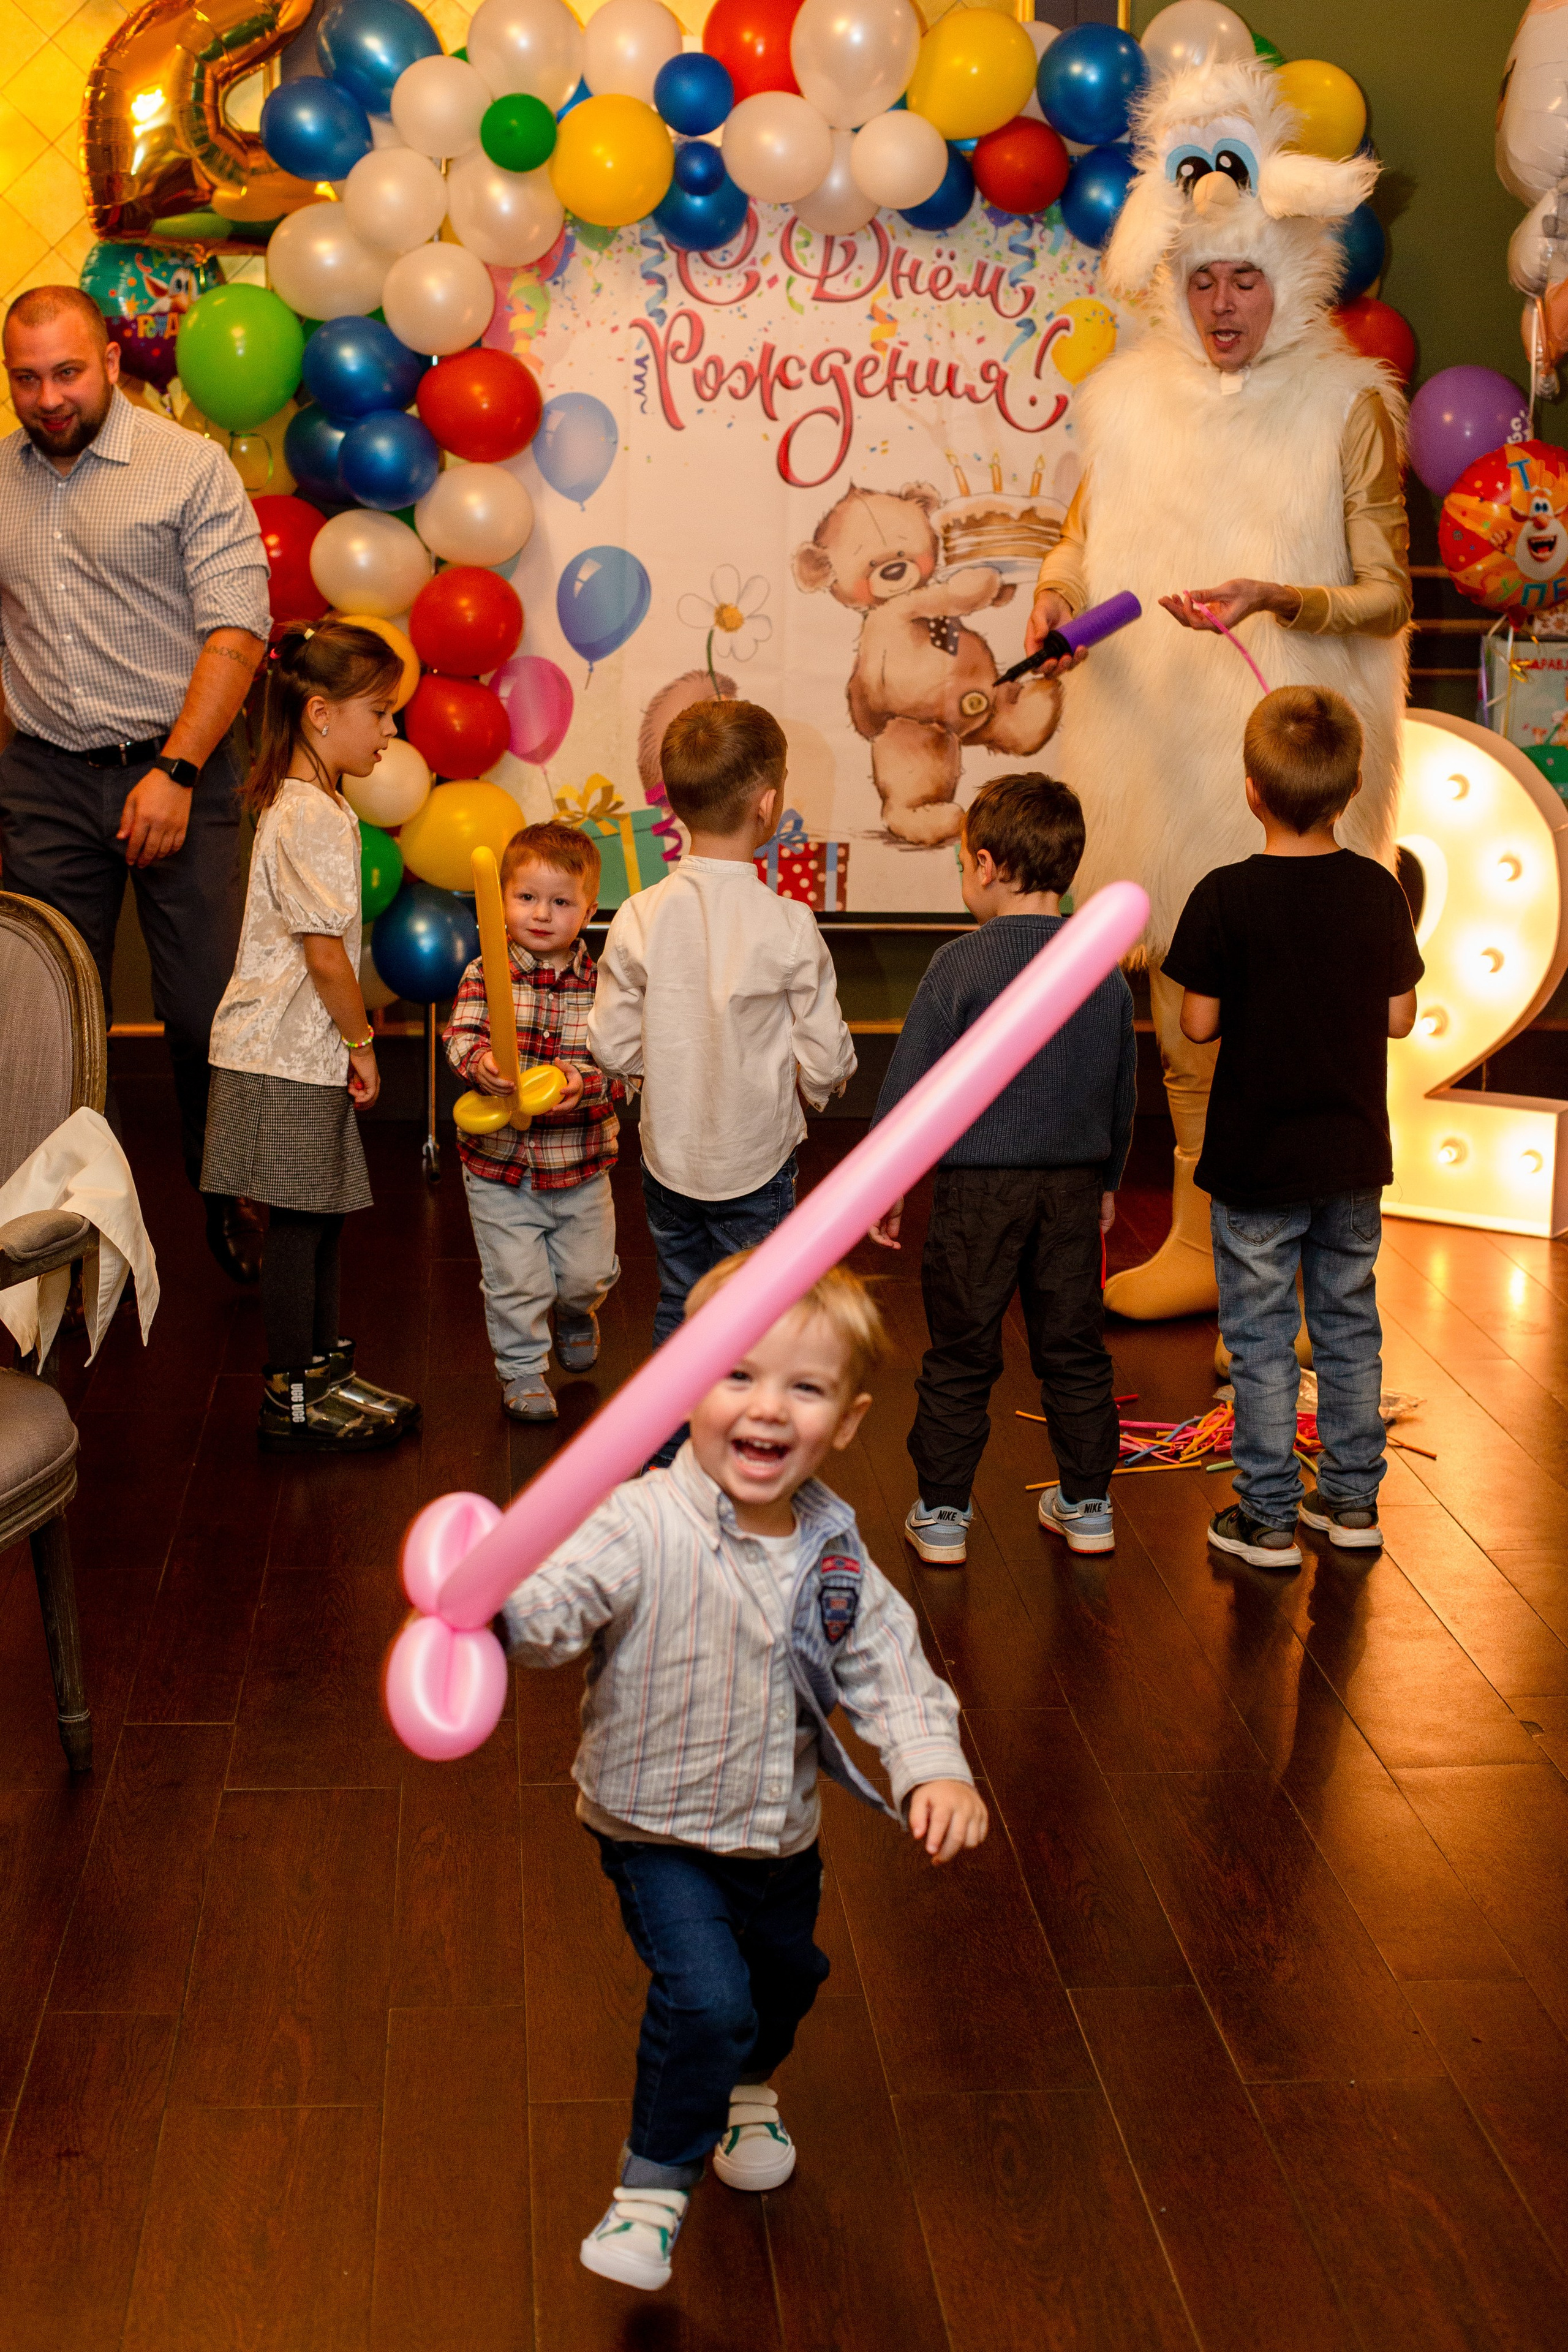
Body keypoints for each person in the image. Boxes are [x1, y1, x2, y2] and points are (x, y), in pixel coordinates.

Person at [496, 1256, 987, 2293]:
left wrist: (931, 1769)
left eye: (804, 1388)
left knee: (786, 1982)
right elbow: (554, 1609)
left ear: (847, 1422)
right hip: (656, 1829)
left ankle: (745, 2089)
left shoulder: (834, 1551)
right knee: (708, 1999)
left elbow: (888, 1663)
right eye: (736, 1375)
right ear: (683, 1386)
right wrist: (496, 1608)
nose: (767, 1409)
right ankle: (651, 2191)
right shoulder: (637, 1522)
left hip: (778, 1834)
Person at [1023, 58, 1411, 1323]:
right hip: (1153, 742)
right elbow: (1079, 544)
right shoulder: (1125, 404)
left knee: (1289, 1023)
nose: (1224, 303)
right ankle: (1201, 1239)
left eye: (1245, 277)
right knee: (1183, 1007)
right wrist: (1056, 598)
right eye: (1203, 281)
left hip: (1287, 760)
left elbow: (1385, 596)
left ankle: (1292, 1264)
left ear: (1286, 273)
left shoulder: (1344, 405)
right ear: (1171, 285)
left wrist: (1276, 597)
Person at [0, 285, 273, 1283]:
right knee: (50, 1020)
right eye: (26, 378)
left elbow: (238, 629)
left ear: (111, 362)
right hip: (44, 778)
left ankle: (226, 1195)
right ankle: (72, 1233)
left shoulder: (187, 468)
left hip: (181, 770)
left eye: (68, 372)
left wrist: (175, 769)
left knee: (204, 1012)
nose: (48, 397)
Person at [1163, 685, 1421, 1570]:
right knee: (1349, 1327)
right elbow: (1399, 1020)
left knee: (1261, 1338)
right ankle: (1350, 1503)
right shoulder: (1378, 890)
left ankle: (1266, 1517)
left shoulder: (1224, 895)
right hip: (1350, 1158)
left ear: (1251, 790)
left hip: (1256, 1162)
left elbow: (1198, 1025)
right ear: (1350, 791)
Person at [870, 774, 1136, 1564]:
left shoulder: (959, 965)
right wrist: (1110, 1182)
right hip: (1072, 1190)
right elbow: (1121, 1088)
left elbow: (910, 1085)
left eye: (962, 865)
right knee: (1075, 1351)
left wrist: (888, 1184)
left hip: (977, 1194)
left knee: (960, 1353)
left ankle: (942, 1516)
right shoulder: (1104, 970)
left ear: (986, 865)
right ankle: (1088, 1505)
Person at [588, 698, 856, 1464]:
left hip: (669, 1160)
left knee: (681, 1302)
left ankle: (670, 1460)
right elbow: (827, 1058)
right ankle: (744, 1457)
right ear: (767, 804)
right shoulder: (788, 924)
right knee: (756, 1321)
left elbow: (609, 1045)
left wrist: (649, 1065)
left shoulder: (638, 915)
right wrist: (823, 1084)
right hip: (756, 1166)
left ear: (675, 801)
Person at [200, 622, 419, 1452]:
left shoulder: (314, 805)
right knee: (298, 1223)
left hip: (294, 1051)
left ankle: (323, 1373)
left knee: (318, 1216)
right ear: (321, 713)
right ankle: (291, 1400)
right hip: (278, 1054)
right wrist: (363, 1043)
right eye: (380, 712)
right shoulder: (312, 814)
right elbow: (325, 955)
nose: (390, 731)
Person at [443, 820, 622, 1423]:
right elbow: (461, 1037)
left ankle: (576, 1311)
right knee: (516, 1282)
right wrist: (480, 1064)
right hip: (500, 1168)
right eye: (526, 897)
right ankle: (522, 1369)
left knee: (588, 1275)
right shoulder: (482, 973)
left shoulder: (605, 987)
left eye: (561, 902)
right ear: (501, 900)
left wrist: (583, 1084)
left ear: (588, 911)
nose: (541, 914)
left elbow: (627, 1070)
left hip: (581, 1165)